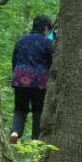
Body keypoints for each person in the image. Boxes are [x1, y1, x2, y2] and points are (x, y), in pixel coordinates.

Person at [9, 15, 54, 143]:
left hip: (20, 79)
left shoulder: (20, 41)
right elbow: (52, 63)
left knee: (20, 108)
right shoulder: (48, 43)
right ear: (46, 28)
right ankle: (36, 139)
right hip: (39, 81)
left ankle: (15, 132)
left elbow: (14, 62)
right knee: (38, 110)